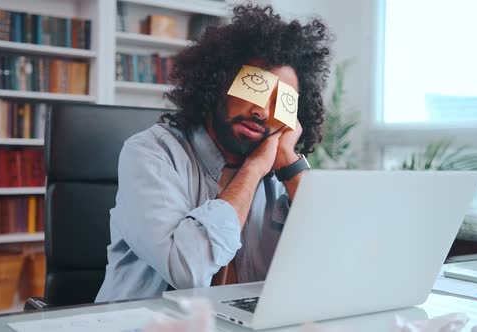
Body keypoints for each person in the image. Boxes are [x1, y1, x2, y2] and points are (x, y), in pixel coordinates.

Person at [95, 4, 330, 302]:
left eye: (281, 102)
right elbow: (187, 270)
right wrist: (253, 168)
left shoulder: (278, 175)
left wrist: (290, 164)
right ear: (219, 81)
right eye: (254, 87)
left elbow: (337, 262)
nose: (262, 111)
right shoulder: (150, 154)